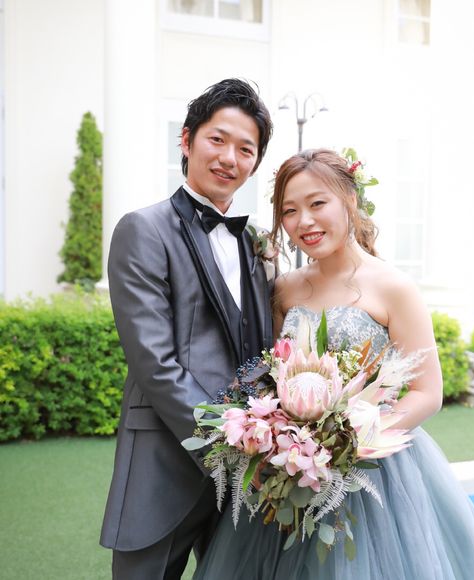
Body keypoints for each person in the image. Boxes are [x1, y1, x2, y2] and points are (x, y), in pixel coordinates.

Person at [193, 149, 474, 579]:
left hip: (375, 472)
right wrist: (282, 440)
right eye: (289, 211)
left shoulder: (394, 287)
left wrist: (345, 445)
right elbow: (273, 374)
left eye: (317, 203)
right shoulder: (285, 289)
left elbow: (427, 392)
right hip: (292, 468)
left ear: (349, 199)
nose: (304, 221)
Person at [100, 78, 274, 580]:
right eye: (217, 139)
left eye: (246, 149)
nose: (229, 158)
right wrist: (227, 447)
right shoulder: (143, 229)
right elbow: (155, 363)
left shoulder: (254, 243)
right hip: (165, 461)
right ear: (186, 139)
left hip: (247, 474)